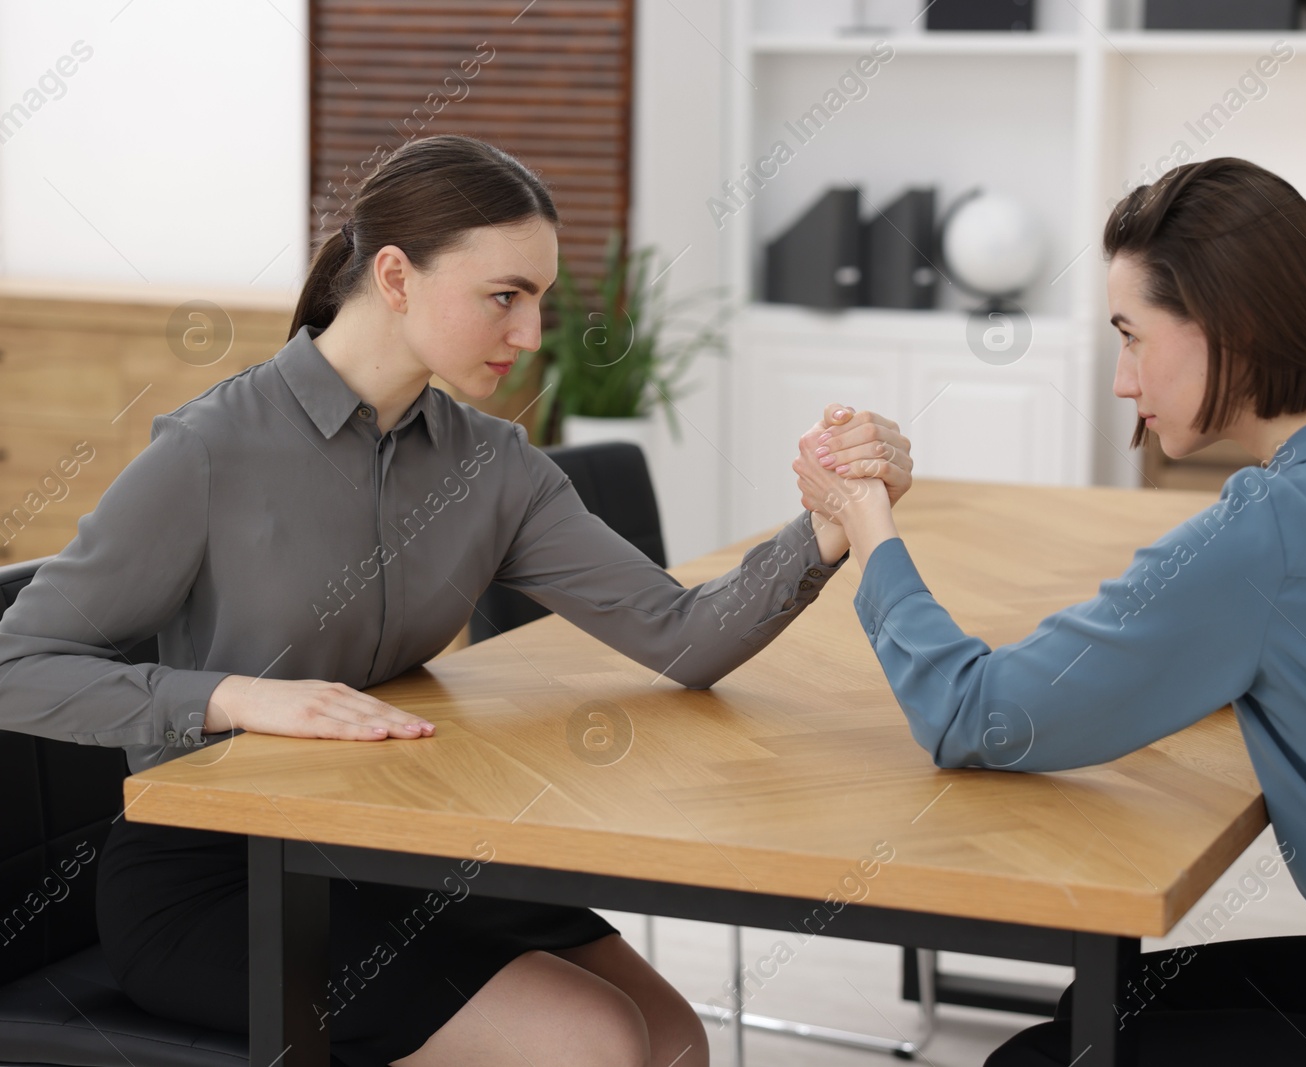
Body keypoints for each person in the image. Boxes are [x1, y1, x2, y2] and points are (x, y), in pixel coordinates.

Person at [0, 133, 914, 1067]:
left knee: (674, 1041)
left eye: (540, 300)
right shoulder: (208, 453)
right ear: (395, 276)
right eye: (504, 297)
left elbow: (683, 635)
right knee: (592, 1043)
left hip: (405, 846)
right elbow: (14, 664)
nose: (530, 336)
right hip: (221, 875)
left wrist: (832, 520)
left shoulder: (494, 466)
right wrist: (233, 696)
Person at [793, 157, 1306, 1065]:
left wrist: (868, 524)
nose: (1122, 382)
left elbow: (975, 714)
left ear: (1234, 331)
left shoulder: (1270, 528)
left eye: (1132, 337)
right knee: (1109, 1000)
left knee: (1040, 1057)